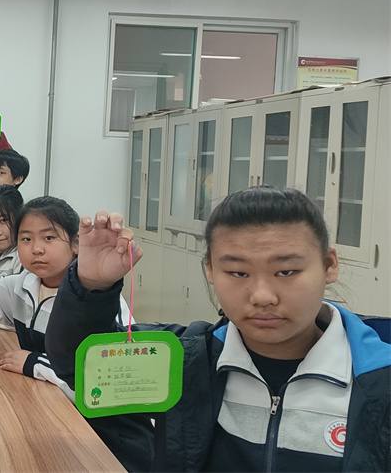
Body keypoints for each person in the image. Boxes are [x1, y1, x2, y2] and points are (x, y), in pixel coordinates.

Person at [45, 186, 391, 471]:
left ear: (329, 265)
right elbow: (83, 365)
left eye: (286, 272)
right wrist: (91, 285)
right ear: (210, 269)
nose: (262, 296)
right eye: (238, 273)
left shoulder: (379, 379)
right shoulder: (186, 361)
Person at [0, 196, 130, 396]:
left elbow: (111, 374)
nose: (36, 249)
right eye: (26, 239)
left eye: (48, 238)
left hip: (87, 412)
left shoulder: (99, 299)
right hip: (41, 396)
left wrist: (35, 363)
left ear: (76, 243)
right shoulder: (22, 285)